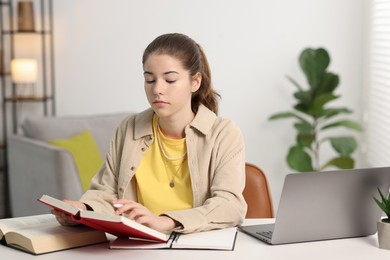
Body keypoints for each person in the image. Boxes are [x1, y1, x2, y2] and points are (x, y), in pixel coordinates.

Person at [52, 33, 247, 234]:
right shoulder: (129, 128)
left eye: (170, 80)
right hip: (139, 247)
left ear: (195, 82)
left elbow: (229, 205)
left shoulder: (224, 133)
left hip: (198, 244)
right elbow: (107, 193)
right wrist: (83, 210)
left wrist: (166, 221)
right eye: (149, 79)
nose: (157, 89)